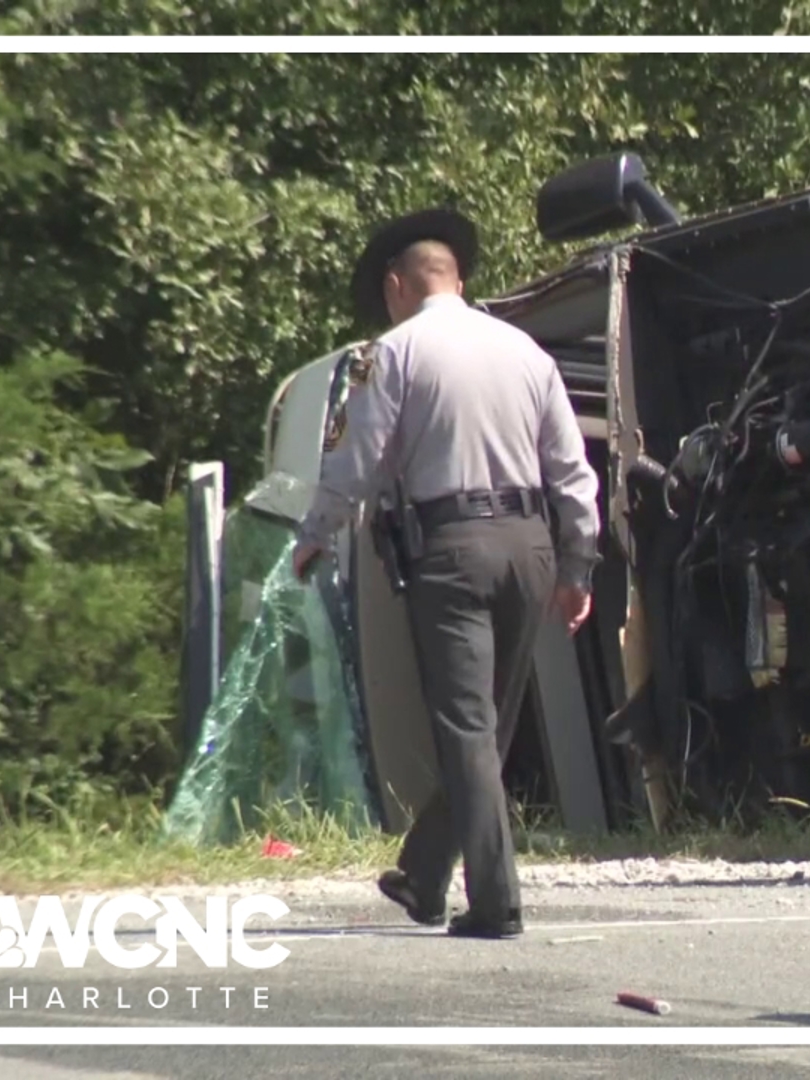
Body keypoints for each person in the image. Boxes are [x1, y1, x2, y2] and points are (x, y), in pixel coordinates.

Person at [291, 207, 601, 939]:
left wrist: (313, 535)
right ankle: (425, 878)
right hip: (530, 547)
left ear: (399, 286)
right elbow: (572, 471)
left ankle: (497, 903)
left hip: (451, 547)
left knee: (466, 728)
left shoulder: (392, 355)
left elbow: (356, 462)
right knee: (485, 728)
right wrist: (578, 564)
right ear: (458, 279)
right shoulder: (527, 352)